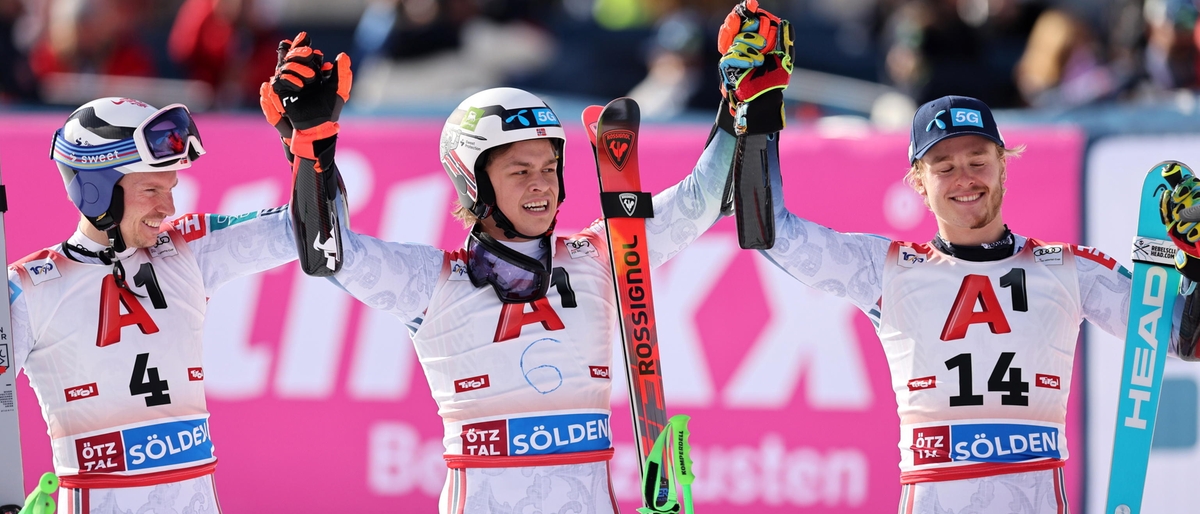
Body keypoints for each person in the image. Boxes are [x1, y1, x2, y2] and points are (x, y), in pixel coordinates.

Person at [260, 5, 790, 511]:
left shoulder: (605, 253)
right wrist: (312, 152)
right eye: (519, 170)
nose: (541, 184)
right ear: (474, 181)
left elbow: (704, 199)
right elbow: (328, 254)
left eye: (549, 166)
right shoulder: (434, 281)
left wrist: (741, 105)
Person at [759, 93, 1200, 512]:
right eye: (944, 167)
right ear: (918, 180)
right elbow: (771, 233)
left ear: (1003, 166)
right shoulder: (884, 267)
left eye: (978, 161)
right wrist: (756, 113)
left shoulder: (1070, 268)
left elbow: (1185, 340)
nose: (965, 179)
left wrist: (1194, 264)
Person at [6, 92, 312, 508]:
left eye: (171, 188)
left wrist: (310, 149)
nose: (167, 207)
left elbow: (320, 235)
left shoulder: (190, 246)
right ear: (96, 191)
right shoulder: (28, 287)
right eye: (151, 188)